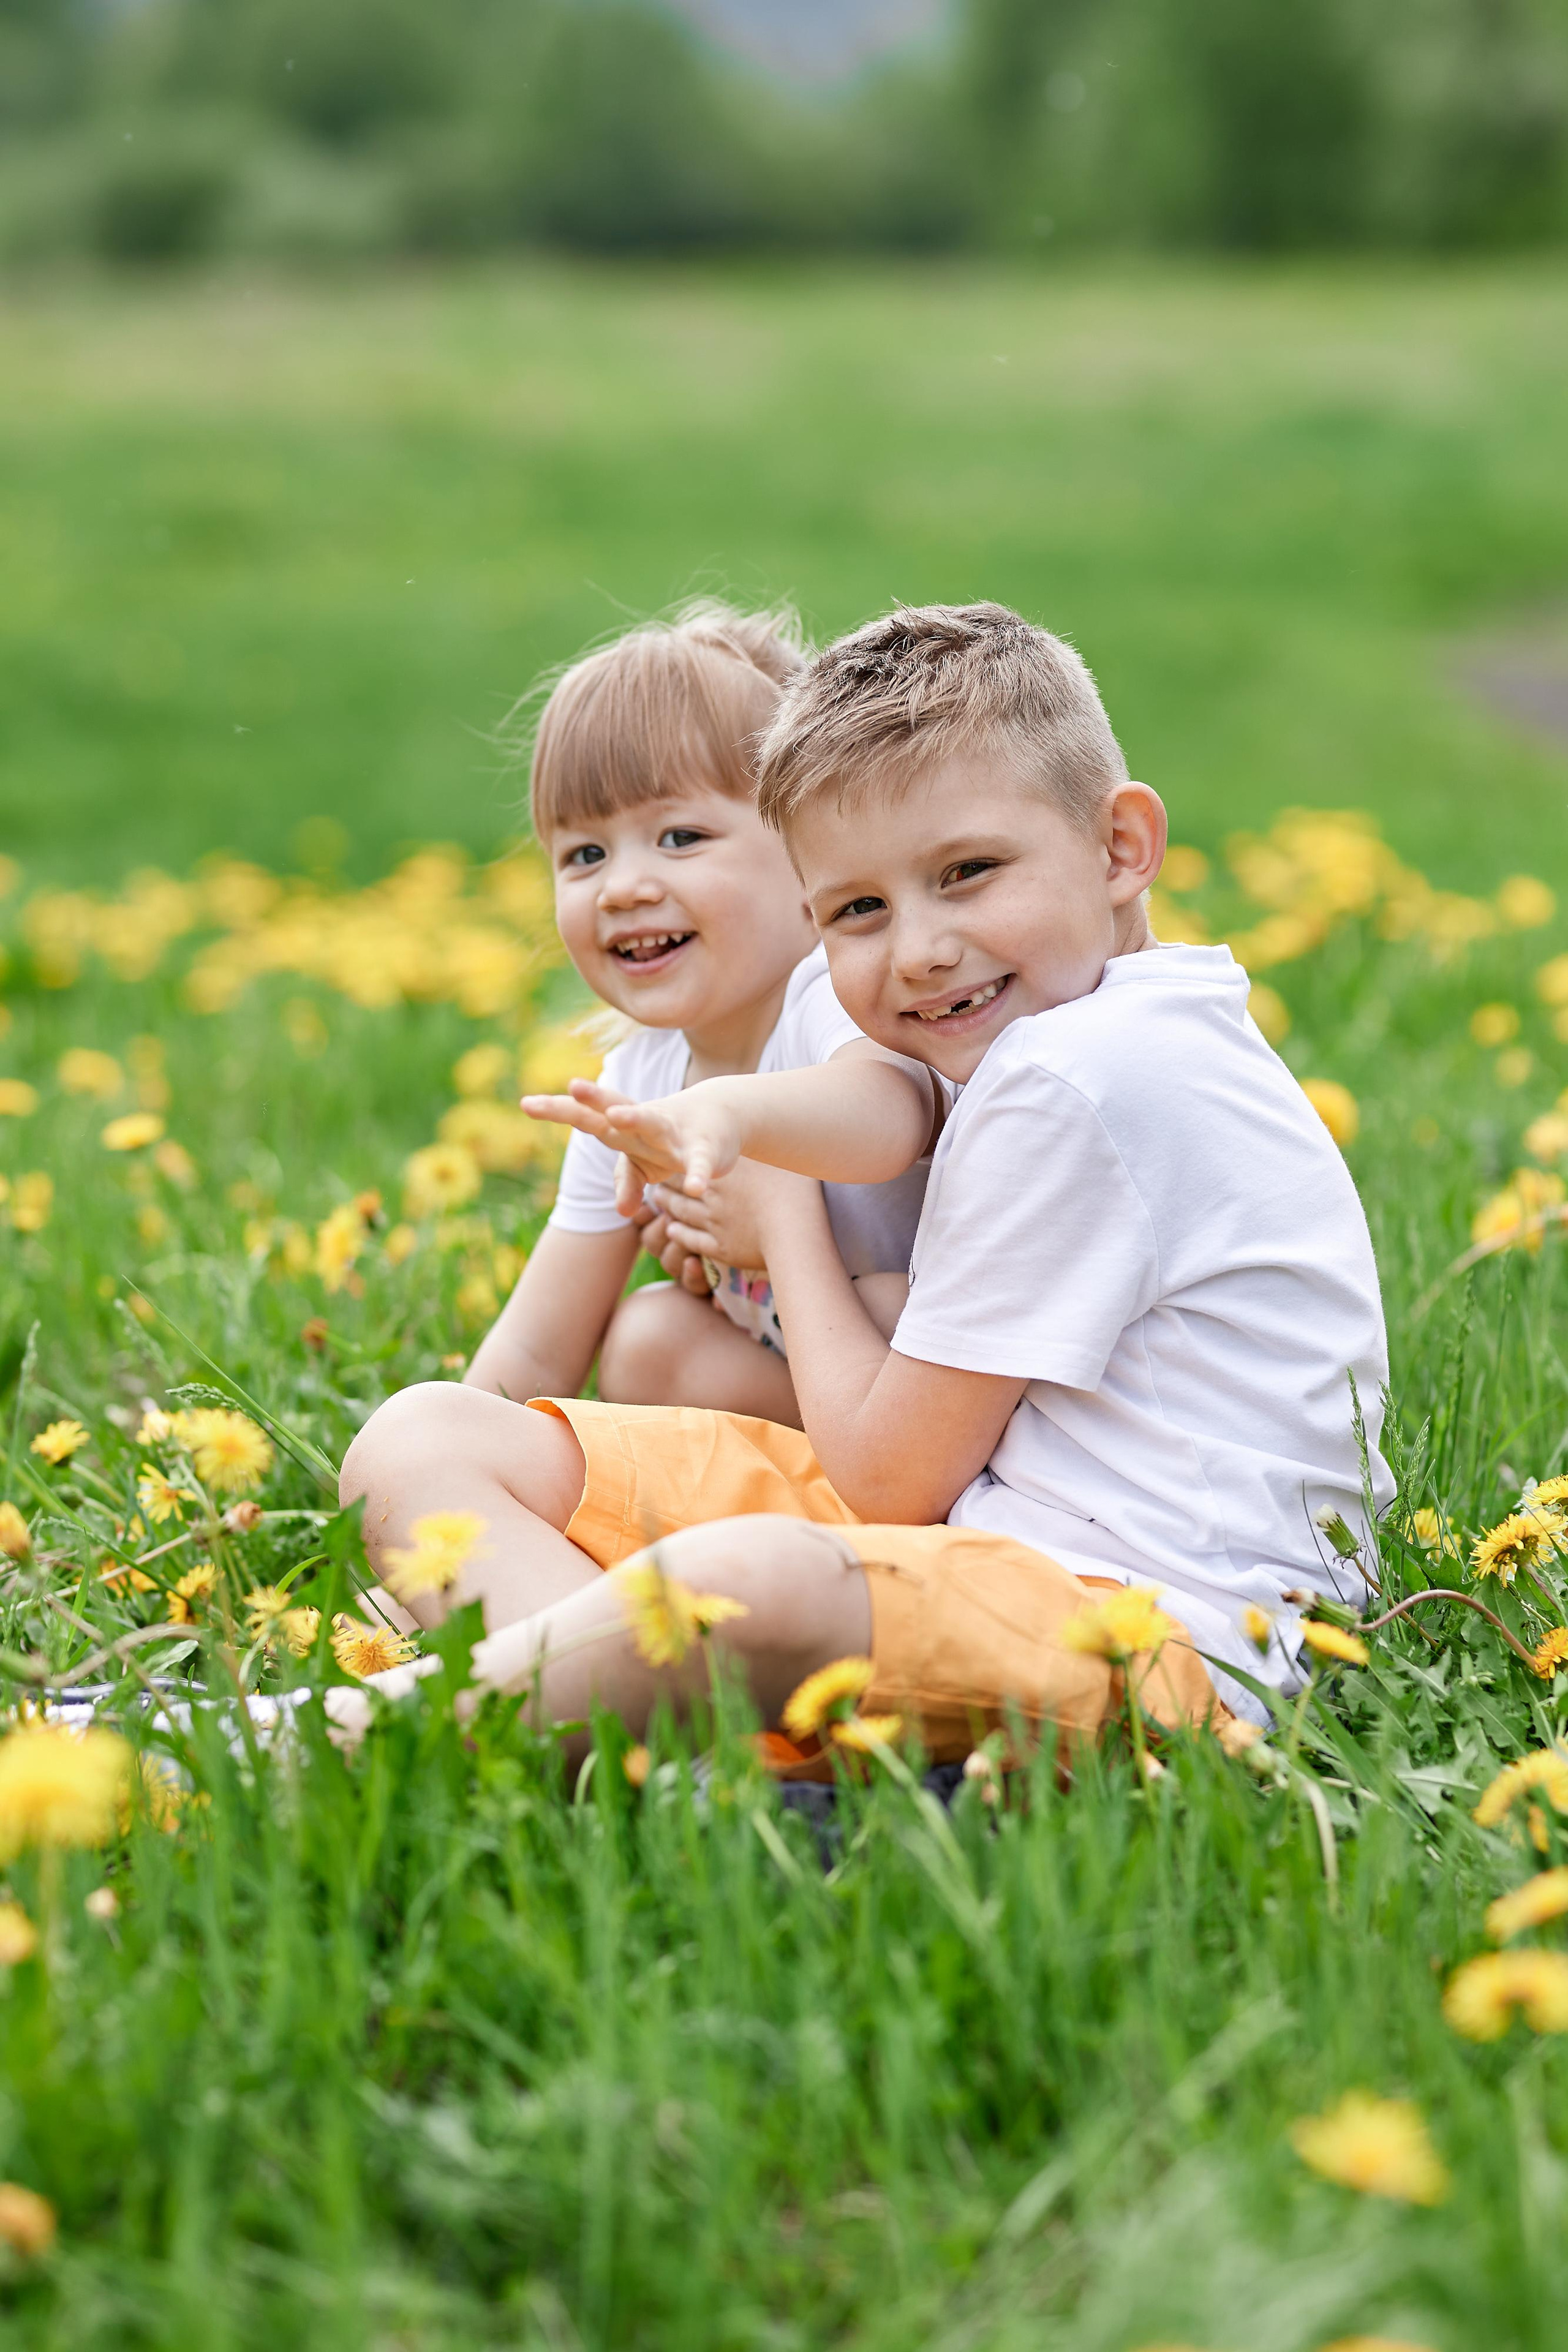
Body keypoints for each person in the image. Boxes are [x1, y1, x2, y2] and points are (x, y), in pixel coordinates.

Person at [338, 601, 1394, 1762]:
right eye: (860, 911)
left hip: (1163, 1634)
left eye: (969, 872)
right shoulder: (1066, 1042)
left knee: (748, 1584)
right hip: (987, 1540)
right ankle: (629, 1729)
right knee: (424, 1440)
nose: (920, 949)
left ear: (1121, 847)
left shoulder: (1074, 1076)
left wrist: (779, 1194)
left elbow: (891, 1479)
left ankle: (318, 1737)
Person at [341, 603, 934, 1629]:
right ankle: (684, 1579)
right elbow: (533, 1352)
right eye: (582, 856)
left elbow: (891, 1119)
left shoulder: (837, 997)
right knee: (651, 1339)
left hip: (934, 1400)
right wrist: (439, 1497)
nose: (625, 886)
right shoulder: (637, 1075)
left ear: (809, 857)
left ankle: (817, 1551)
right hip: (811, 1408)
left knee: (883, 1298)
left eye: (679, 836)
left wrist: (734, 1119)